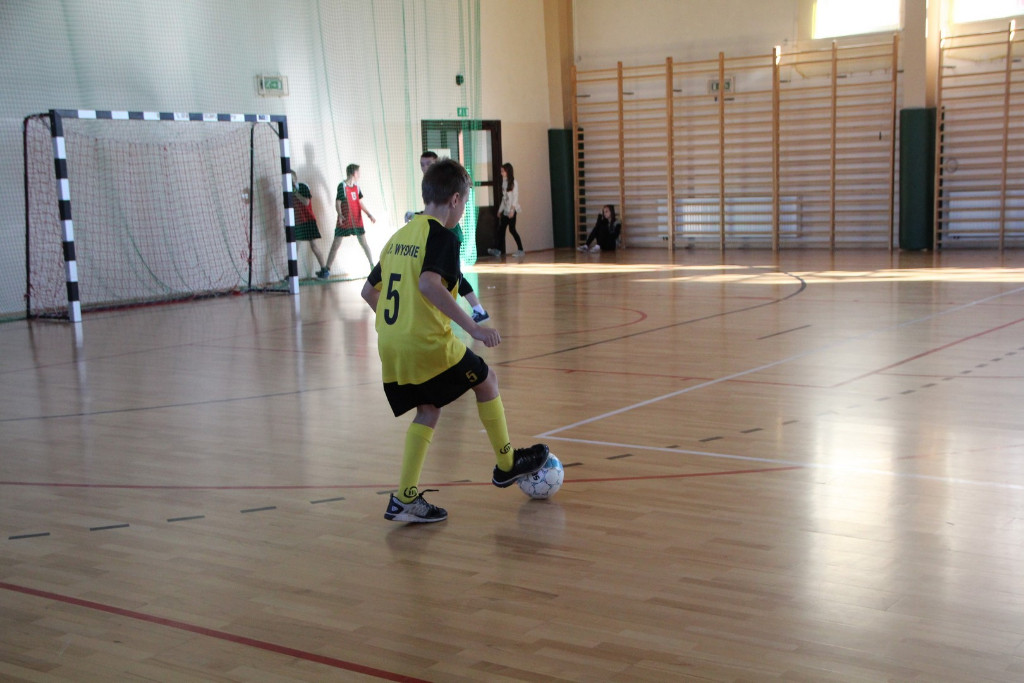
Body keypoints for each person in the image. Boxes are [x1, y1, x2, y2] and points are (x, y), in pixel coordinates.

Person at [361, 159, 549, 523]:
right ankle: (507, 464)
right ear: (455, 199)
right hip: (427, 344)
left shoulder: (400, 236)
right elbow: (428, 284)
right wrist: (474, 328)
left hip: (391, 345)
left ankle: (405, 498)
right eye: (464, 204)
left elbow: (369, 292)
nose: (462, 212)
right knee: (487, 380)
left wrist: (399, 324)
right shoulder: (442, 236)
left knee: (428, 409)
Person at [409, 151, 489, 323]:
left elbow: (438, 212)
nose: (425, 168)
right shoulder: (430, 186)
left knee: (453, 275)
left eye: (429, 164)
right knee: (448, 274)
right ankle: (477, 309)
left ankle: (477, 309)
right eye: (422, 164)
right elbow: (433, 212)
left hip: (449, 233)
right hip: (439, 232)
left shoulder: (444, 184)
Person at [323, 163, 376, 277]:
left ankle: (372, 266)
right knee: (336, 244)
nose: (359, 174)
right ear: (353, 173)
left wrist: (369, 215)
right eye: (358, 172)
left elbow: (360, 202)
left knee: (364, 243)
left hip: (356, 220)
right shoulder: (342, 186)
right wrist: (340, 214)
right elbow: (338, 202)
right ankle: (326, 270)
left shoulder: (357, 187)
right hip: (345, 220)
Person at [289, 170, 329, 278]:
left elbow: (306, 202)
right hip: (298, 223)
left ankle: (324, 270)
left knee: (314, 246)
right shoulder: (287, 192)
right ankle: (292, 274)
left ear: (295, 178)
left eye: (292, 179)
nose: (290, 181)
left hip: (309, 221)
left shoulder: (303, 186)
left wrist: (295, 191)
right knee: (294, 248)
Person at [487, 163, 524, 258]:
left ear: (508, 171)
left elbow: (515, 198)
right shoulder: (504, 182)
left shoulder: (514, 182)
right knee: (501, 230)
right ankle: (498, 250)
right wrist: (500, 210)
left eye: (503, 171)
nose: (501, 173)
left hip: (512, 211)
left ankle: (520, 250)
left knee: (512, 230)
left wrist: (512, 210)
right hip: (506, 210)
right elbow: (504, 199)